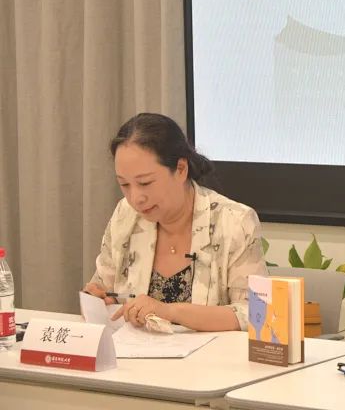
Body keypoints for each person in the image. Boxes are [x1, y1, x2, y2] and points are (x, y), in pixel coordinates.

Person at [83, 113, 267, 331]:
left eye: (145, 183)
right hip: (132, 351)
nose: (135, 198)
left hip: (211, 353)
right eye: (124, 184)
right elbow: (103, 286)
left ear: (180, 169)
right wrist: (98, 298)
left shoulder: (235, 222)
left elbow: (255, 313)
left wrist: (169, 311)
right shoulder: (125, 215)